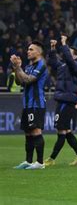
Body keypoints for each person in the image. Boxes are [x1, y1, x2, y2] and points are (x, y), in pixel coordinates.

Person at [45, 35, 77, 166]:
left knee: (61, 131)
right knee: (66, 130)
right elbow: (52, 62)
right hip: (62, 99)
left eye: (69, 52)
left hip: (67, 100)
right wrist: (52, 48)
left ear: (74, 56)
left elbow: (68, 58)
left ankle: (51, 159)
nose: (66, 53)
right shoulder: (63, 65)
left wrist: (63, 43)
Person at [11, 41, 49, 170]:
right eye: (28, 49)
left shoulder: (41, 65)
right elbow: (19, 81)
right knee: (28, 133)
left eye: (31, 49)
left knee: (36, 131)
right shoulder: (28, 67)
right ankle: (28, 161)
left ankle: (40, 162)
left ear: (38, 52)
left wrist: (19, 68)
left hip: (36, 104)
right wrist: (17, 67)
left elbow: (28, 80)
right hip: (27, 104)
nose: (28, 51)